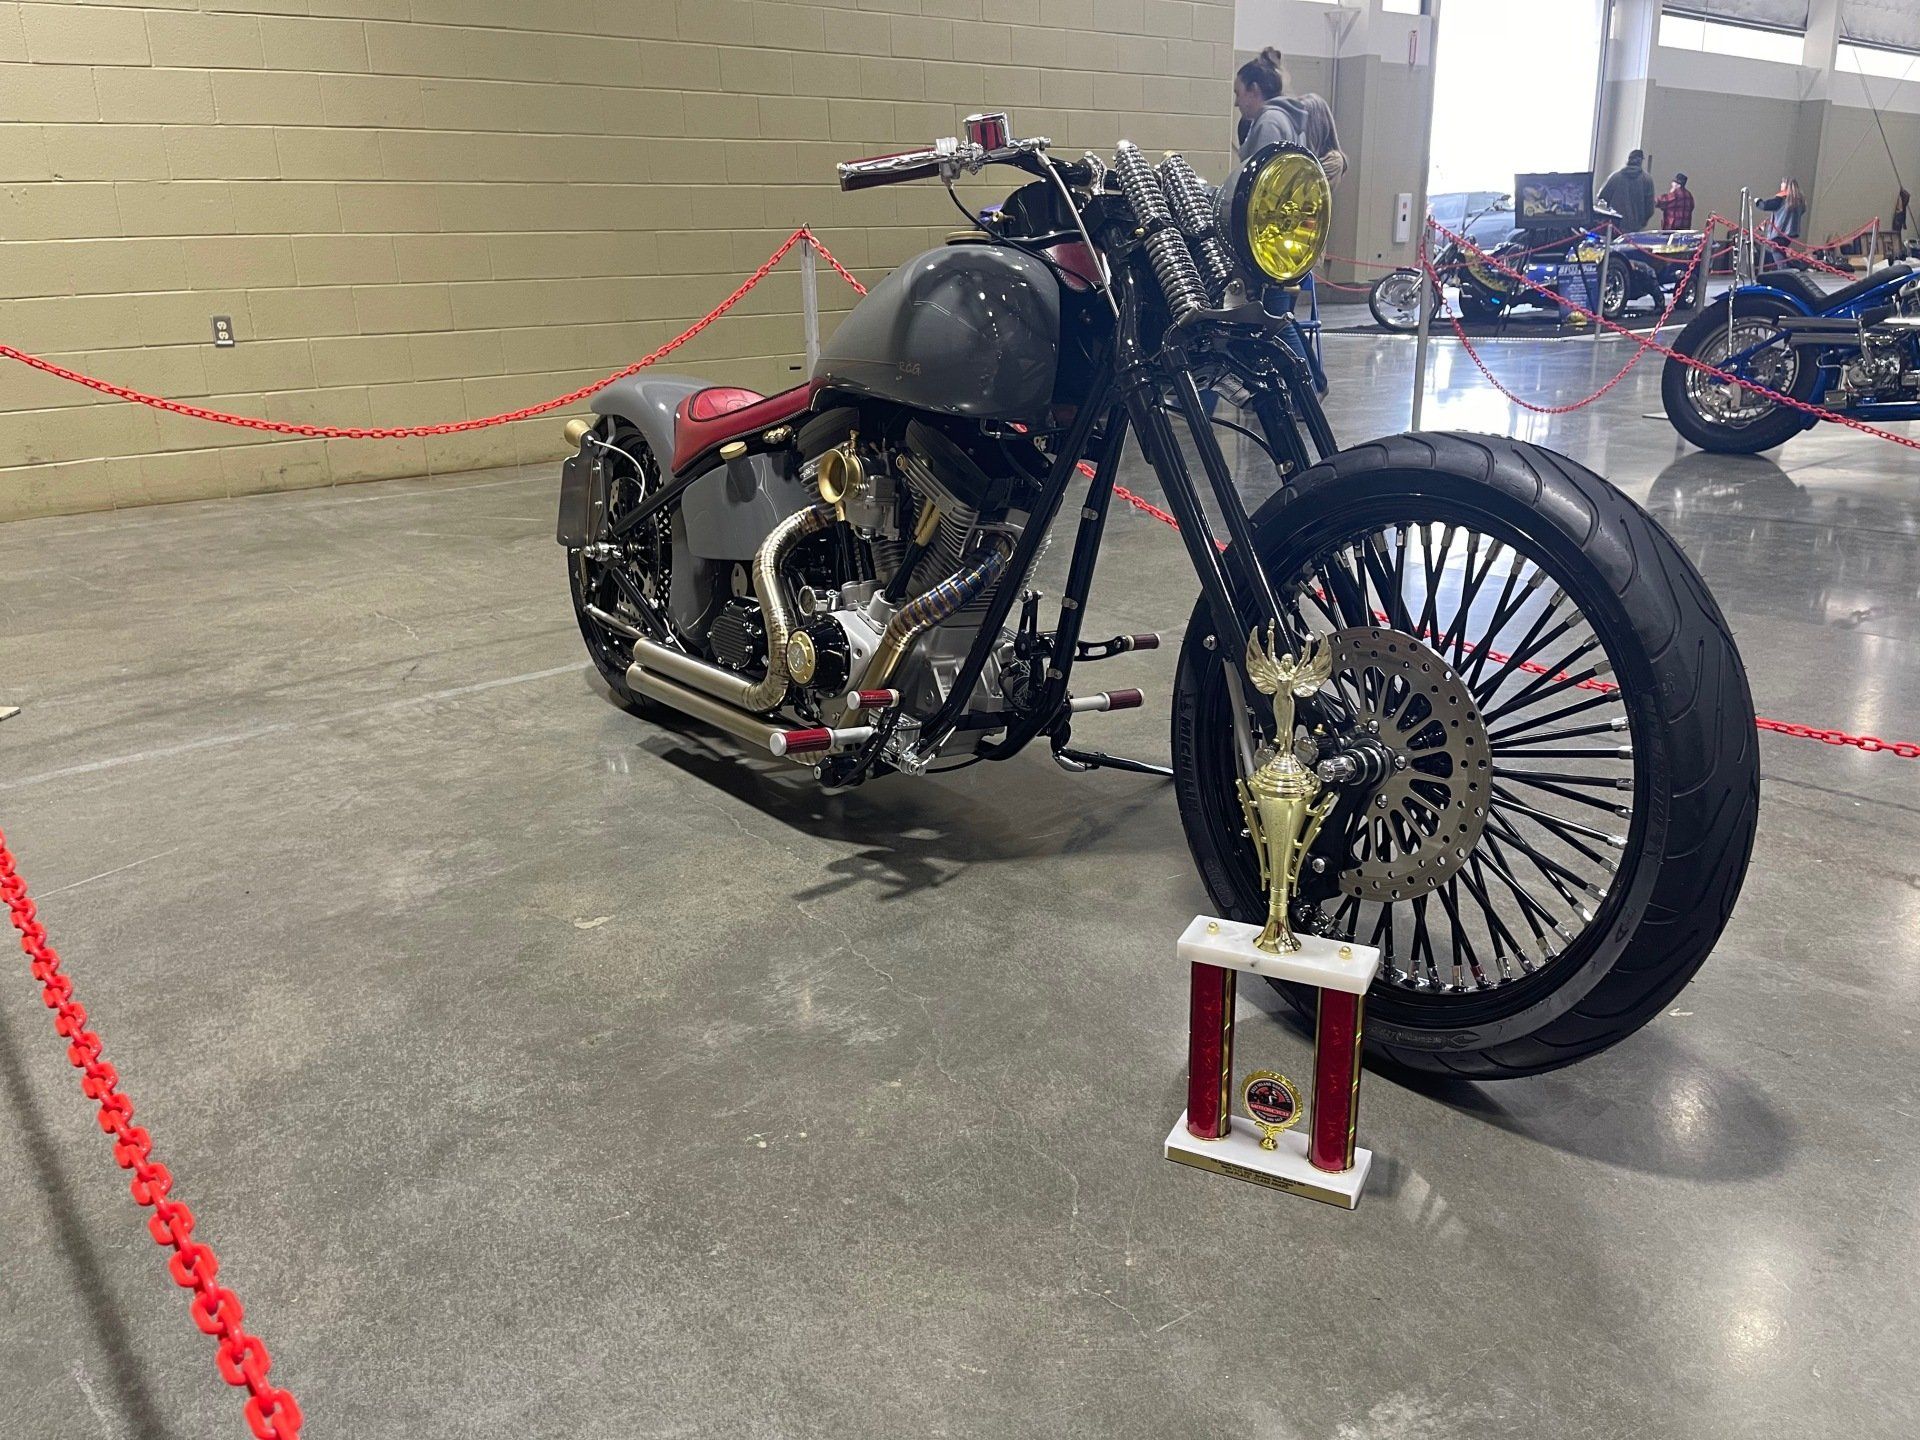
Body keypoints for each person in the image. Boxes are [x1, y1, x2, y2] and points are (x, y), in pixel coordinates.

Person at [1230, 47, 1343, 394]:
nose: (1237, 102)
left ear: (1254, 89)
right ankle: (1313, 383)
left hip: (1270, 245)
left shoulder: (1269, 122)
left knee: (1277, 321)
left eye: (1238, 93)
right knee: (1281, 316)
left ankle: (1306, 391)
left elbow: (1263, 192)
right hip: (1284, 243)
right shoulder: (1287, 120)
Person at [1598, 149, 1656, 231]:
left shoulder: (1615, 177)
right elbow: (1650, 208)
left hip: (1614, 226)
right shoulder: (1647, 179)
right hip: (1635, 227)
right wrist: (1642, 222)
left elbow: (1602, 198)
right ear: (1641, 161)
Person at [1756, 177, 1806, 268]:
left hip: (1779, 232)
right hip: (1791, 232)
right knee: (1780, 251)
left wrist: (1757, 201)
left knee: (1776, 251)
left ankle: (1783, 270)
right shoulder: (1799, 201)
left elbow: (1765, 206)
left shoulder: (1781, 198)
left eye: (1783, 183)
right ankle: (1785, 269)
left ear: (1786, 185)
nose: (1781, 185)